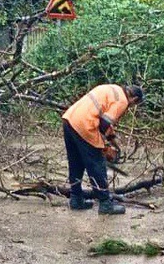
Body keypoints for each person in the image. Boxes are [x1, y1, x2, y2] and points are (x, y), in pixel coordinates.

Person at [61, 84, 144, 215]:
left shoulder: (112, 88)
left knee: (76, 162)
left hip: (70, 119)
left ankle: (76, 198)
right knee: (97, 164)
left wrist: (111, 138)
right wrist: (104, 144)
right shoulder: (122, 100)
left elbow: (101, 117)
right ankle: (105, 203)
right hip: (85, 124)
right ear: (134, 99)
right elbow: (104, 124)